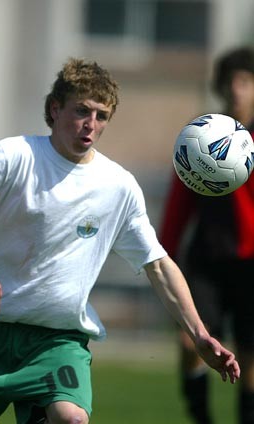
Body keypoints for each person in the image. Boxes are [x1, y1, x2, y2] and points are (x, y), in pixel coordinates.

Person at [0, 57, 241, 424]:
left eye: (101, 116)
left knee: (72, 419)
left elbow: (157, 264)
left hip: (55, 341)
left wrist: (199, 334)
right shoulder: (16, 156)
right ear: (54, 108)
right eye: (81, 111)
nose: (90, 124)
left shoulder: (118, 186)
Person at [159, 46, 254, 424]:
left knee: (250, 357)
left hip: (250, 263)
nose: (236, 89)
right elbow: (179, 199)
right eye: (230, 81)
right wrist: (163, 251)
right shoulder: (201, 136)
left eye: (245, 81)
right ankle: (200, 417)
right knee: (190, 341)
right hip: (206, 259)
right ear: (220, 86)